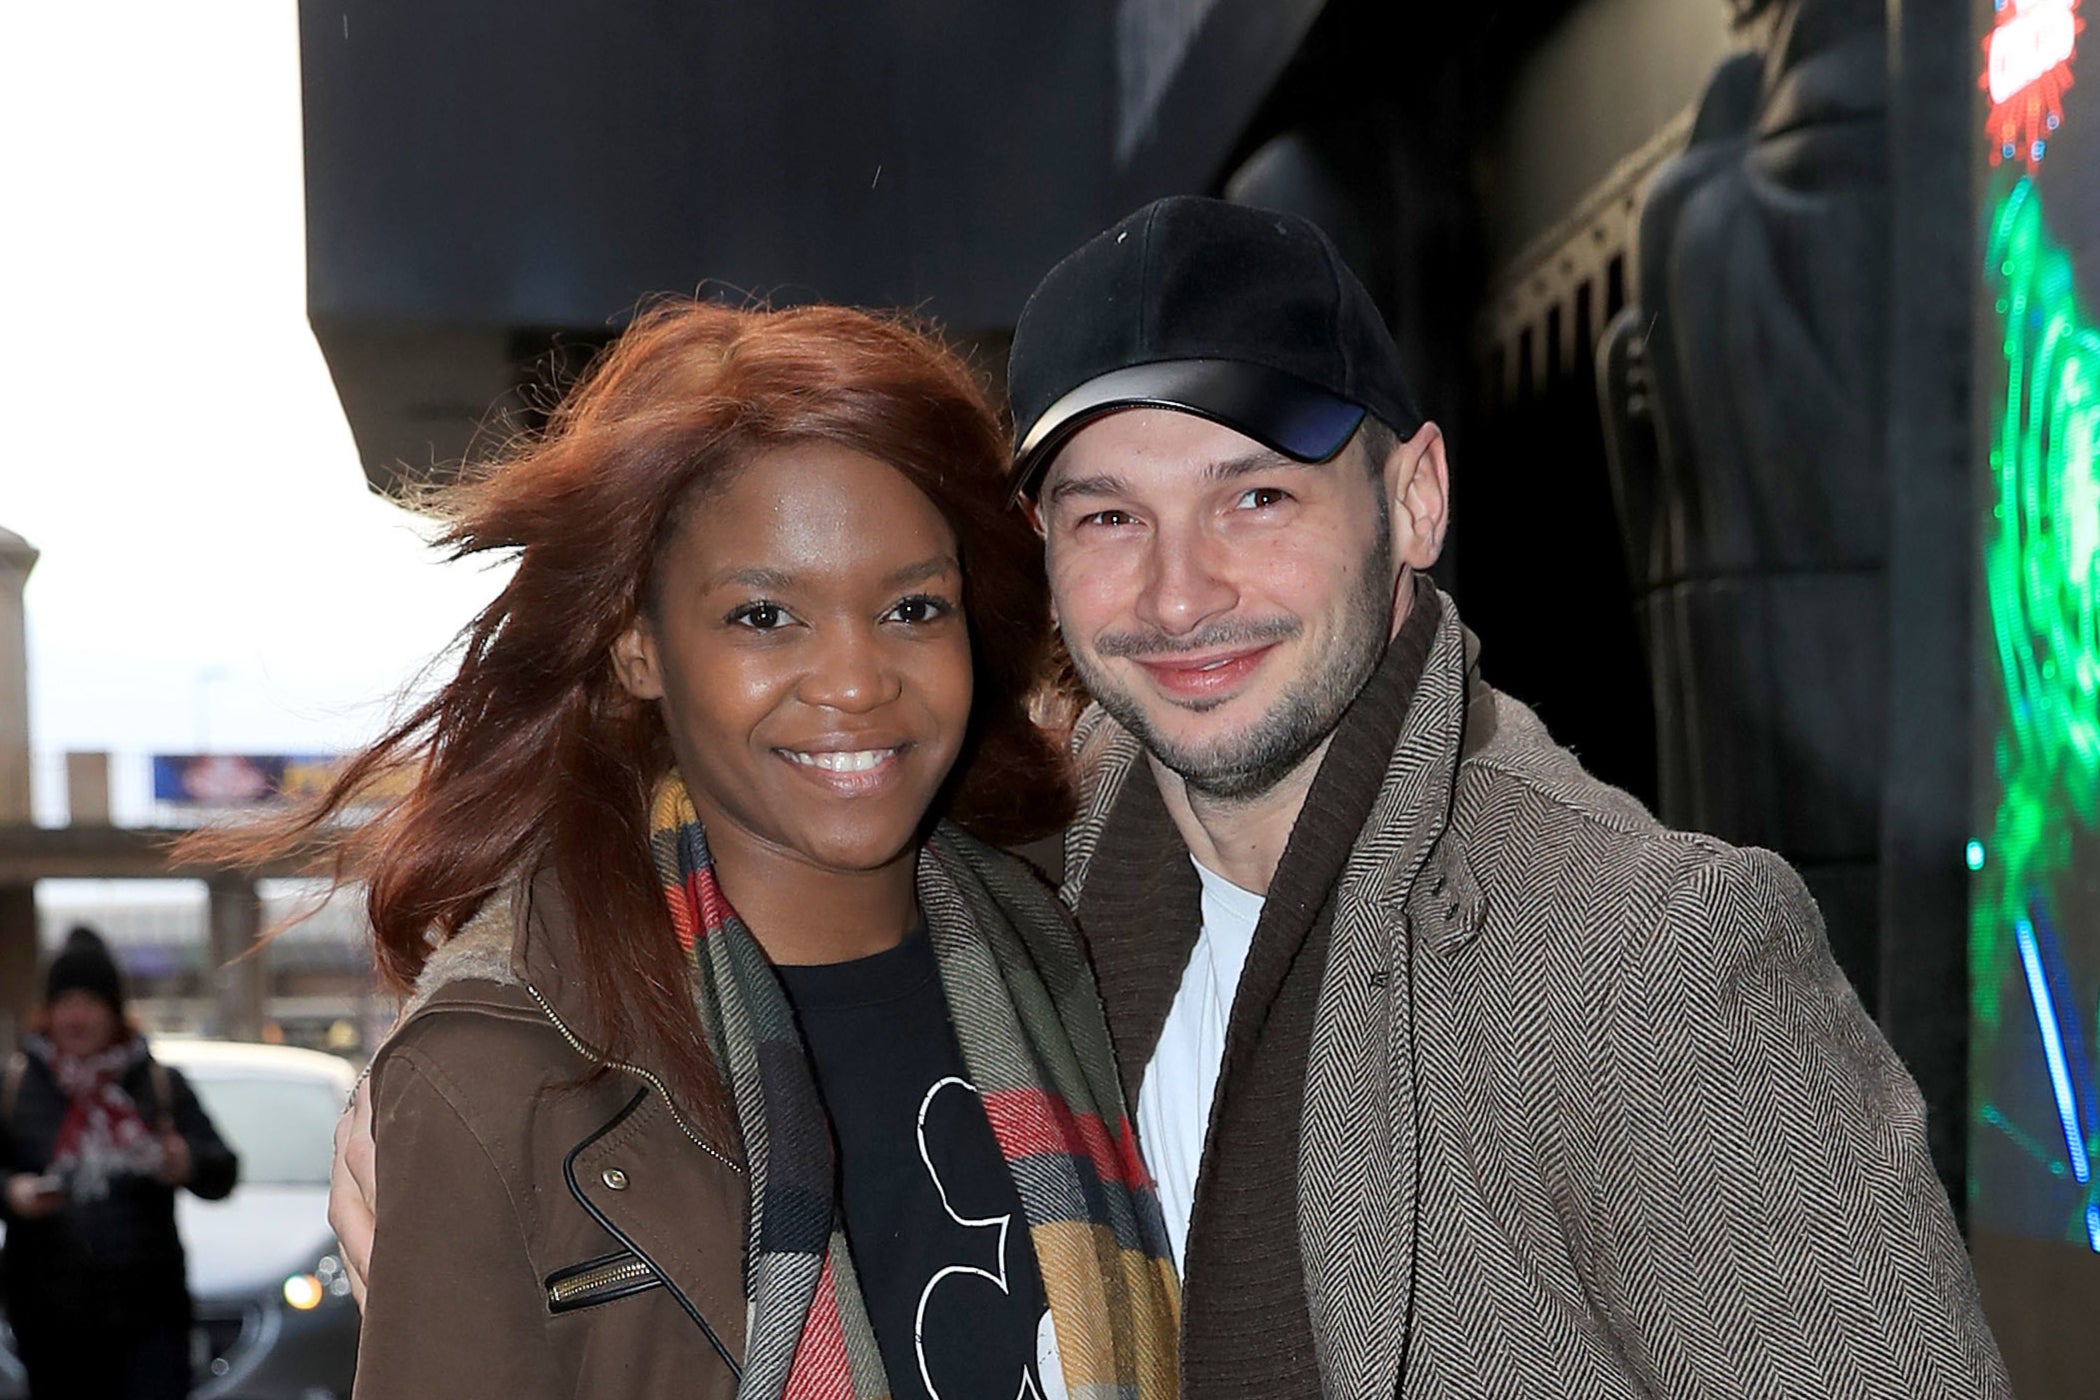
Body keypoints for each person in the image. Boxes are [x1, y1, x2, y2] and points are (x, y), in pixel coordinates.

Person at [1001, 196, 2011, 1397]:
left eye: (1256, 497)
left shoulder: (1647, 959)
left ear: (1416, 496)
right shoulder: (1030, 883)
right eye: (1111, 516)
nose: (1177, 597)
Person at [239, 301, 1178, 1400]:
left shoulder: (1087, 946)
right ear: (638, 646)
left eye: (914, 606)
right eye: (765, 615)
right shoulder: (499, 1072)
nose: (855, 679)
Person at [0, 925, 239, 1400]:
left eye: (90, 1003)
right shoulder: (16, 1086)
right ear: (48, 1011)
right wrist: (13, 1193)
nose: (77, 1016)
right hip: (48, 1317)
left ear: (114, 1012)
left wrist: (184, 1163)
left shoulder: (158, 1082)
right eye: (66, 1003)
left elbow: (223, 1170)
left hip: (149, 1314)